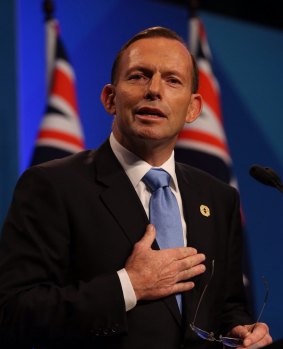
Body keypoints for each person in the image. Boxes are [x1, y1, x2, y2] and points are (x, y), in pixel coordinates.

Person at [0, 26, 272, 349]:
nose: (154, 90)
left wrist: (241, 330)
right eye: (139, 76)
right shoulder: (52, 186)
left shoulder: (218, 198)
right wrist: (128, 286)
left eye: (173, 80)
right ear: (110, 99)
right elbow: (14, 312)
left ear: (193, 108)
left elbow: (226, 305)